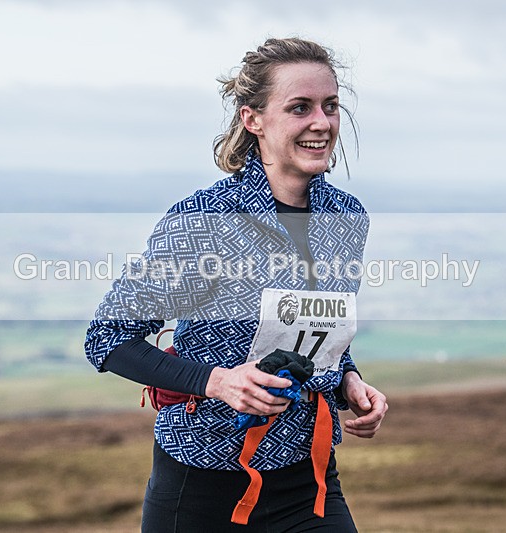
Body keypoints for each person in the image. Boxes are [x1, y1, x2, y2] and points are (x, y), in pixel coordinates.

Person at [85, 37, 388, 532]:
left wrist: (348, 380)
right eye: (299, 107)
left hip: (308, 482)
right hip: (203, 488)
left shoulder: (346, 218)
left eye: (330, 106)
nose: (321, 122)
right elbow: (106, 341)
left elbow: (316, 330)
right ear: (253, 119)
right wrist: (218, 381)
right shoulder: (205, 219)